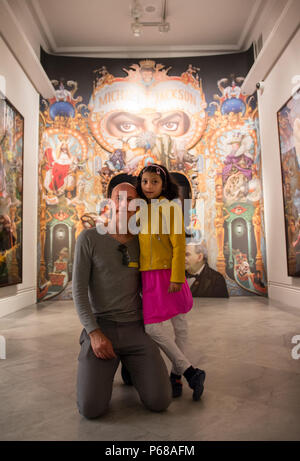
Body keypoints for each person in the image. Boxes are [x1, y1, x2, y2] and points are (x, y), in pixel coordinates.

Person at [72, 182, 172, 419]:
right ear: (110, 203)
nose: (125, 204)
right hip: (102, 328)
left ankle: (129, 365)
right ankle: (92, 351)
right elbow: (78, 290)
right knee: (91, 409)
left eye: (132, 200)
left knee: (160, 401)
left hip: (136, 329)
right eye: (119, 198)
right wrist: (93, 333)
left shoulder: (143, 241)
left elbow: (155, 283)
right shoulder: (89, 238)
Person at [136, 164, 206, 401]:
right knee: (153, 328)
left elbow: (179, 244)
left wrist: (177, 277)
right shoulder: (138, 210)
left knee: (180, 326)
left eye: (154, 182)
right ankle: (191, 372)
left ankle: (176, 376)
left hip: (170, 275)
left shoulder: (172, 209)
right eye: (145, 181)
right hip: (149, 276)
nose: (148, 186)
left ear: (163, 185)